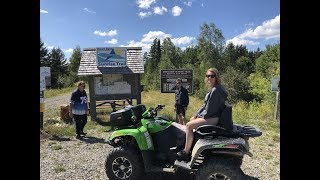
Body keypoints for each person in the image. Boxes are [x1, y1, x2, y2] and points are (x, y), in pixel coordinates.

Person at [176, 68, 228, 161]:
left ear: (216, 77)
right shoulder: (215, 88)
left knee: (188, 125)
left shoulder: (215, 90)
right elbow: (204, 105)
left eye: (212, 76)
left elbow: (209, 111)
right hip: (214, 116)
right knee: (192, 121)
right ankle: (192, 145)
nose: (209, 78)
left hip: (214, 117)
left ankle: (186, 152)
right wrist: (196, 115)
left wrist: (198, 117)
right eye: (208, 76)